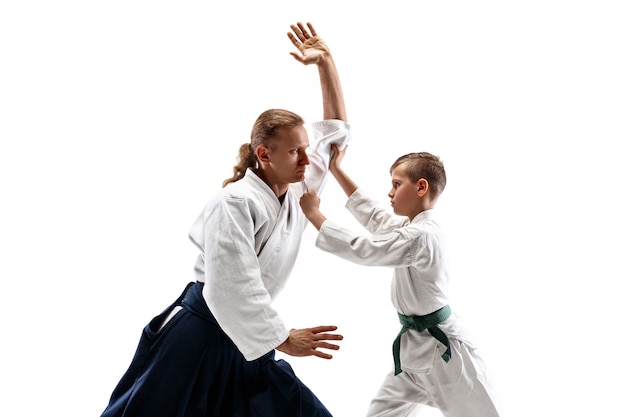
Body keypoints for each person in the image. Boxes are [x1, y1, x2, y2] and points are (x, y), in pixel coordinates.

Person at [100, 22, 350, 417]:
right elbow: (233, 283)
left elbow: (335, 137)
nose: (307, 160)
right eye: (294, 152)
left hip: (246, 342)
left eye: (305, 150)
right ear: (264, 155)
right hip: (200, 337)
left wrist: (327, 63)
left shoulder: (298, 193)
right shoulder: (234, 202)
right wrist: (283, 339)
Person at [299, 149, 504, 416]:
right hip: (412, 355)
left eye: (396, 184)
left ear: (421, 187)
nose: (390, 192)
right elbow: (375, 217)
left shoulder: (422, 236)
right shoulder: (411, 229)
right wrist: (336, 169)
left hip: (447, 355)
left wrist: (314, 214)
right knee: (380, 412)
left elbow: (365, 249)